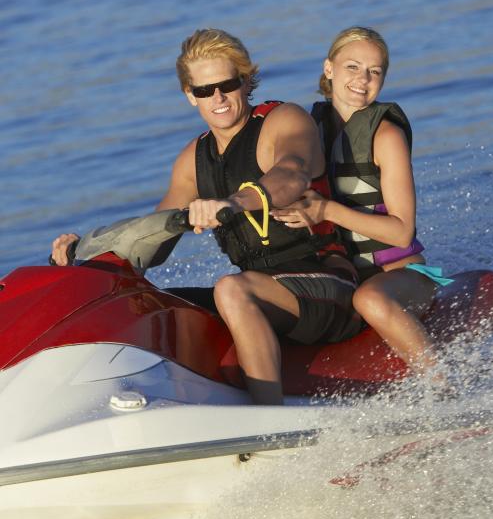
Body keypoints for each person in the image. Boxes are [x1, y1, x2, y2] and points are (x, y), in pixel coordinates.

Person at [52, 28, 361, 405]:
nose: (217, 98)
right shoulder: (192, 161)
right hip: (260, 289)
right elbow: (153, 237)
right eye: (203, 90)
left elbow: (292, 173)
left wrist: (234, 201)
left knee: (230, 288)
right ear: (189, 96)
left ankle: (268, 419)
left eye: (227, 84)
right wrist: (83, 261)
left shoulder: (284, 121)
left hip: (329, 283)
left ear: (246, 82)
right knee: (146, 305)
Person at [272, 27, 453, 383]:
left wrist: (325, 211)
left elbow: (402, 232)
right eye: (353, 67)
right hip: (341, 276)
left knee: (369, 300)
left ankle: (444, 386)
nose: (362, 79)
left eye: (374, 71)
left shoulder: (386, 136)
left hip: (401, 277)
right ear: (329, 69)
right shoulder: (309, 130)